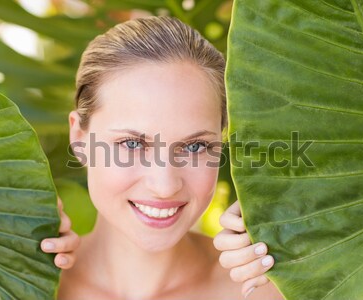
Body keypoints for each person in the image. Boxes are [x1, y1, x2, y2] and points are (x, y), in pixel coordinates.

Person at [41, 16, 283, 300]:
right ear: (80, 139)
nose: (165, 185)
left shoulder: (264, 291)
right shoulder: (11, 283)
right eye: (132, 143)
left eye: (194, 147)